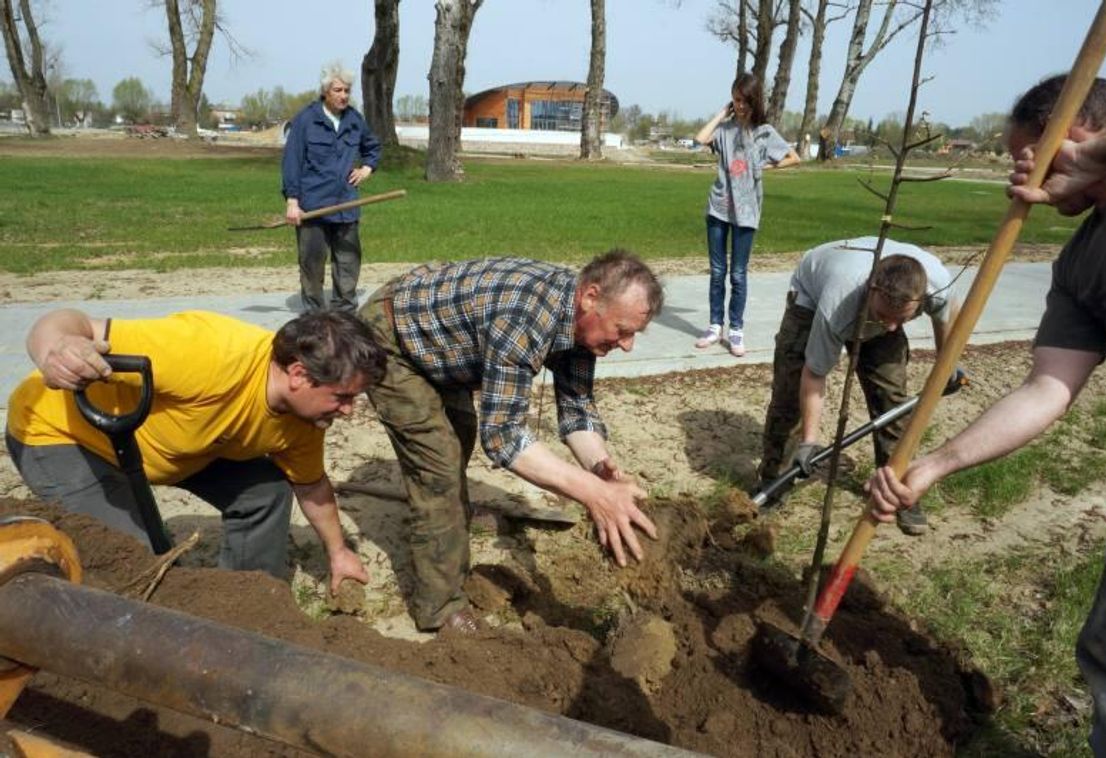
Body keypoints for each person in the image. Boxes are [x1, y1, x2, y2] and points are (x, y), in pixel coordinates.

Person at [865, 76, 1106, 755]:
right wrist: (934, 465)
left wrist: (1103, 151)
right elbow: (1047, 387)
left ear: (1076, 138)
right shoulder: (1079, 265)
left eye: (1026, 154)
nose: (1017, 171)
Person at [358, 250, 663, 634]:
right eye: (623, 330)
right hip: (395, 339)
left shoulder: (581, 323)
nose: (628, 345)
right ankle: (439, 608)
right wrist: (591, 494)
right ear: (590, 297)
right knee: (438, 468)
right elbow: (503, 437)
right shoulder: (524, 317)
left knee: (458, 439)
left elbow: (576, 409)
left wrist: (602, 471)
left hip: (448, 345)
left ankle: (447, 523)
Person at [6, 308, 387, 593]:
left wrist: (339, 554)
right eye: (343, 397)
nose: (350, 412)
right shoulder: (211, 352)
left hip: (177, 446)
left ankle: (244, 601)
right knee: (129, 561)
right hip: (63, 433)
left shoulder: (304, 420)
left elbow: (311, 486)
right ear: (300, 375)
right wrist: (57, 349)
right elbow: (68, 322)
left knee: (266, 492)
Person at [756, 237, 959, 535]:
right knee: (789, 398)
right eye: (882, 317)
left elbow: (946, 321)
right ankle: (774, 480)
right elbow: (814, 375)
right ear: (871, 291)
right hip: (811, 297)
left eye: (900, 320)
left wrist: (947, 364)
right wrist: (810, 440)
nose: (889, 327)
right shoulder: (836, 304)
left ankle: (897, 487)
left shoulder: (936, 285)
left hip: (875, 293)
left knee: (892, 399)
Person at [694, 72, 800, 358]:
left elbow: (794, 158)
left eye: (743, 100)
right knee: (718, 273)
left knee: (738, 275)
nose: (739, 105)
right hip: (718, 209)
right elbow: (700, 138)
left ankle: (736, 329)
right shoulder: (725, 130)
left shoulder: (765, 132)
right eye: (735, 100)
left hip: (748, 212)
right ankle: (715, 326)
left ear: (754, 100)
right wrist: (720, 114)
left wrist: (766, 167)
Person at [282, 61, 382, 313]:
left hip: (346, 204)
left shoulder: (354, 120)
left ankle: (344, 313)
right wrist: (292, 202)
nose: (344, 95)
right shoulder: (306, 120)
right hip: (312, 206)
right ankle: (314, 314)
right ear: (325, 91)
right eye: (338, 90)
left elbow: (372, 147)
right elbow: (292, 162)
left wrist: (366, 169)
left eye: (347, 90)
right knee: (312, 263)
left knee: (348, 262)